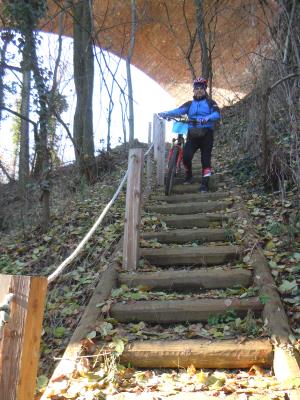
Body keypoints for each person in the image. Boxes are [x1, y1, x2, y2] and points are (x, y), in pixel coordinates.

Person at [158, 77, 221, 192]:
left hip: (206, 133)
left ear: (205, 89)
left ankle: (205, 184)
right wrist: (166, 113)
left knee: (205, 159)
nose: (199, 90)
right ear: (193, 90)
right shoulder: (189, 104)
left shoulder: (210, 102)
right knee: (186, 157)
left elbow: (217, 114)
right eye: (196, 88)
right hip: (192, 134)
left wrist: (206, 118)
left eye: (201, 88)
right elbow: (178, 111)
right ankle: (189, 174)